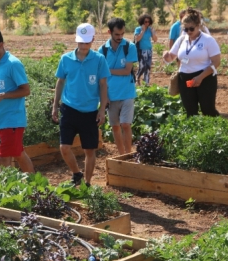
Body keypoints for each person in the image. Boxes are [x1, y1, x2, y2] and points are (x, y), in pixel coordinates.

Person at [52, 23, 109, 186]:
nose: (83, 45)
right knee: (64, 147)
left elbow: (103, 85)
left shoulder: (99, 59)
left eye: (86, 41)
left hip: (90, 111)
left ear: (92, 39)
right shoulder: (66, 59)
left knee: (90, 150)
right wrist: (55, 105)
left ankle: (88, 182)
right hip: (69, 109)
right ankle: (76, 173)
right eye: (80, 41)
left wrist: (102, 109)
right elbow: (60, 81)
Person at [0, 28, 34, 173]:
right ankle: (36, 186)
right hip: (0, 118)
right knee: (18, 153)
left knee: (4, 158)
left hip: (13, 118)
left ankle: (9, 190)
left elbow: (25, 90)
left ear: (1, 44)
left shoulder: (13, 64)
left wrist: (3, 95)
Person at [163, 8, 221, 117]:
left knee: (208, 110)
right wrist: (166, 56)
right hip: (185, 79)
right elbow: (171, 57)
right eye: (186, 29)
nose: (188, 32)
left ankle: (214, 131)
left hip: (205, 78)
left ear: (198, 26)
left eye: (191, 29)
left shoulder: (208, 40)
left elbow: (216, 62)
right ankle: (195, 133)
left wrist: (200, 77)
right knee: (190, 111)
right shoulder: (181, 39)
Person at [99, 18, 138, 155]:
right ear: (109, 32)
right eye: (116, 34)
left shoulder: (129, 47)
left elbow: (127, 71)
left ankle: (128, 154)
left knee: (126, 125)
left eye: (122, 34)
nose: (120, 37)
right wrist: (104, 98)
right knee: (115, 126)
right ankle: (122, 154)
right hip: (111, 94)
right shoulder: (102, 50)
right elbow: (100, 77)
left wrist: (107, 70)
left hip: (127, 92)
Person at [134, 14, 157, 86]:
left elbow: (155, 40)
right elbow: (137, 39)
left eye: (148, 22)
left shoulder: (150, 30)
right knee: (142, 66)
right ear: (142, 22)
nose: (147, 23)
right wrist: (142, 31)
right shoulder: (138, 29)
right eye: (145, 22)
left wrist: (153, 32)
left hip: (149, 50)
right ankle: (137, 76)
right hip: (141, 50)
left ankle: (146, 83)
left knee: (148, 67)